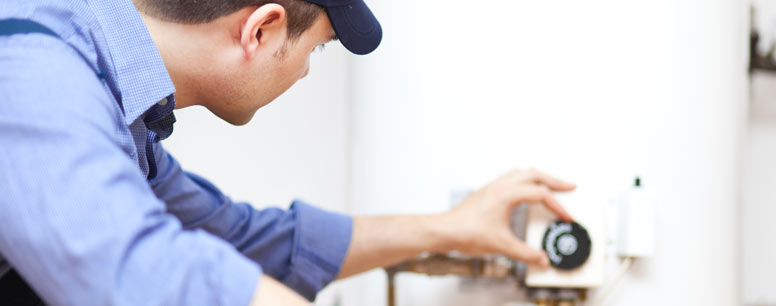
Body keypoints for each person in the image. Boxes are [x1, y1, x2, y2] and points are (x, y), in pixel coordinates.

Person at [0, 0, 576, 305]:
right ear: (261, 30)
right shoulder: (33, 65)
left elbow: (241, 240)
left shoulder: (121, 108)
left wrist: (449, 229)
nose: (303, 74)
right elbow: (135, 273)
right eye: (318, 49)